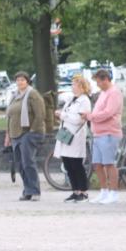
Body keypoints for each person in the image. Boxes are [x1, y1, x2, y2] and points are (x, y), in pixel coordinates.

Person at [4, 72, 46, 201]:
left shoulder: (32, 94)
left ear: (27, 81)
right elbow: (10, 117)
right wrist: (8, 135)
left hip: (28, 133)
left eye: (22, 80)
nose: (20, 82)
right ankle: (27, 190)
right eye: (17, 80)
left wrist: (32, 130)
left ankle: (35, 191)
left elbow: (40, 114)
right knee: (20, 164)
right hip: (15, 134)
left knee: (28, 162)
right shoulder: (15, 96)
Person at [85, 68, 124, 205]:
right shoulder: (103, 92)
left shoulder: (114, 93)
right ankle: (104, 191)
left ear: (106, 79)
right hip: (98, 133)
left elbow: (108, 112)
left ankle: (113, 193)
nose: (97, 85)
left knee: (109, 163)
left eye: (99, 82)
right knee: (97, 164)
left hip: (109, 132)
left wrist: (91, 116)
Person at [53, 75, 92, 203]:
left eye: (74, 84)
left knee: (76, 165)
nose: (72, 87)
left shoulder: (84, 100)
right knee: (68, 164)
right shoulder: (71, 99)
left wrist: (62, 115)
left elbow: (78, 119)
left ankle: (83, 192)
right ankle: (75, 191)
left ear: (81, 86)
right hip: (66, 135)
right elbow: (68, 112)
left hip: (75, 137)